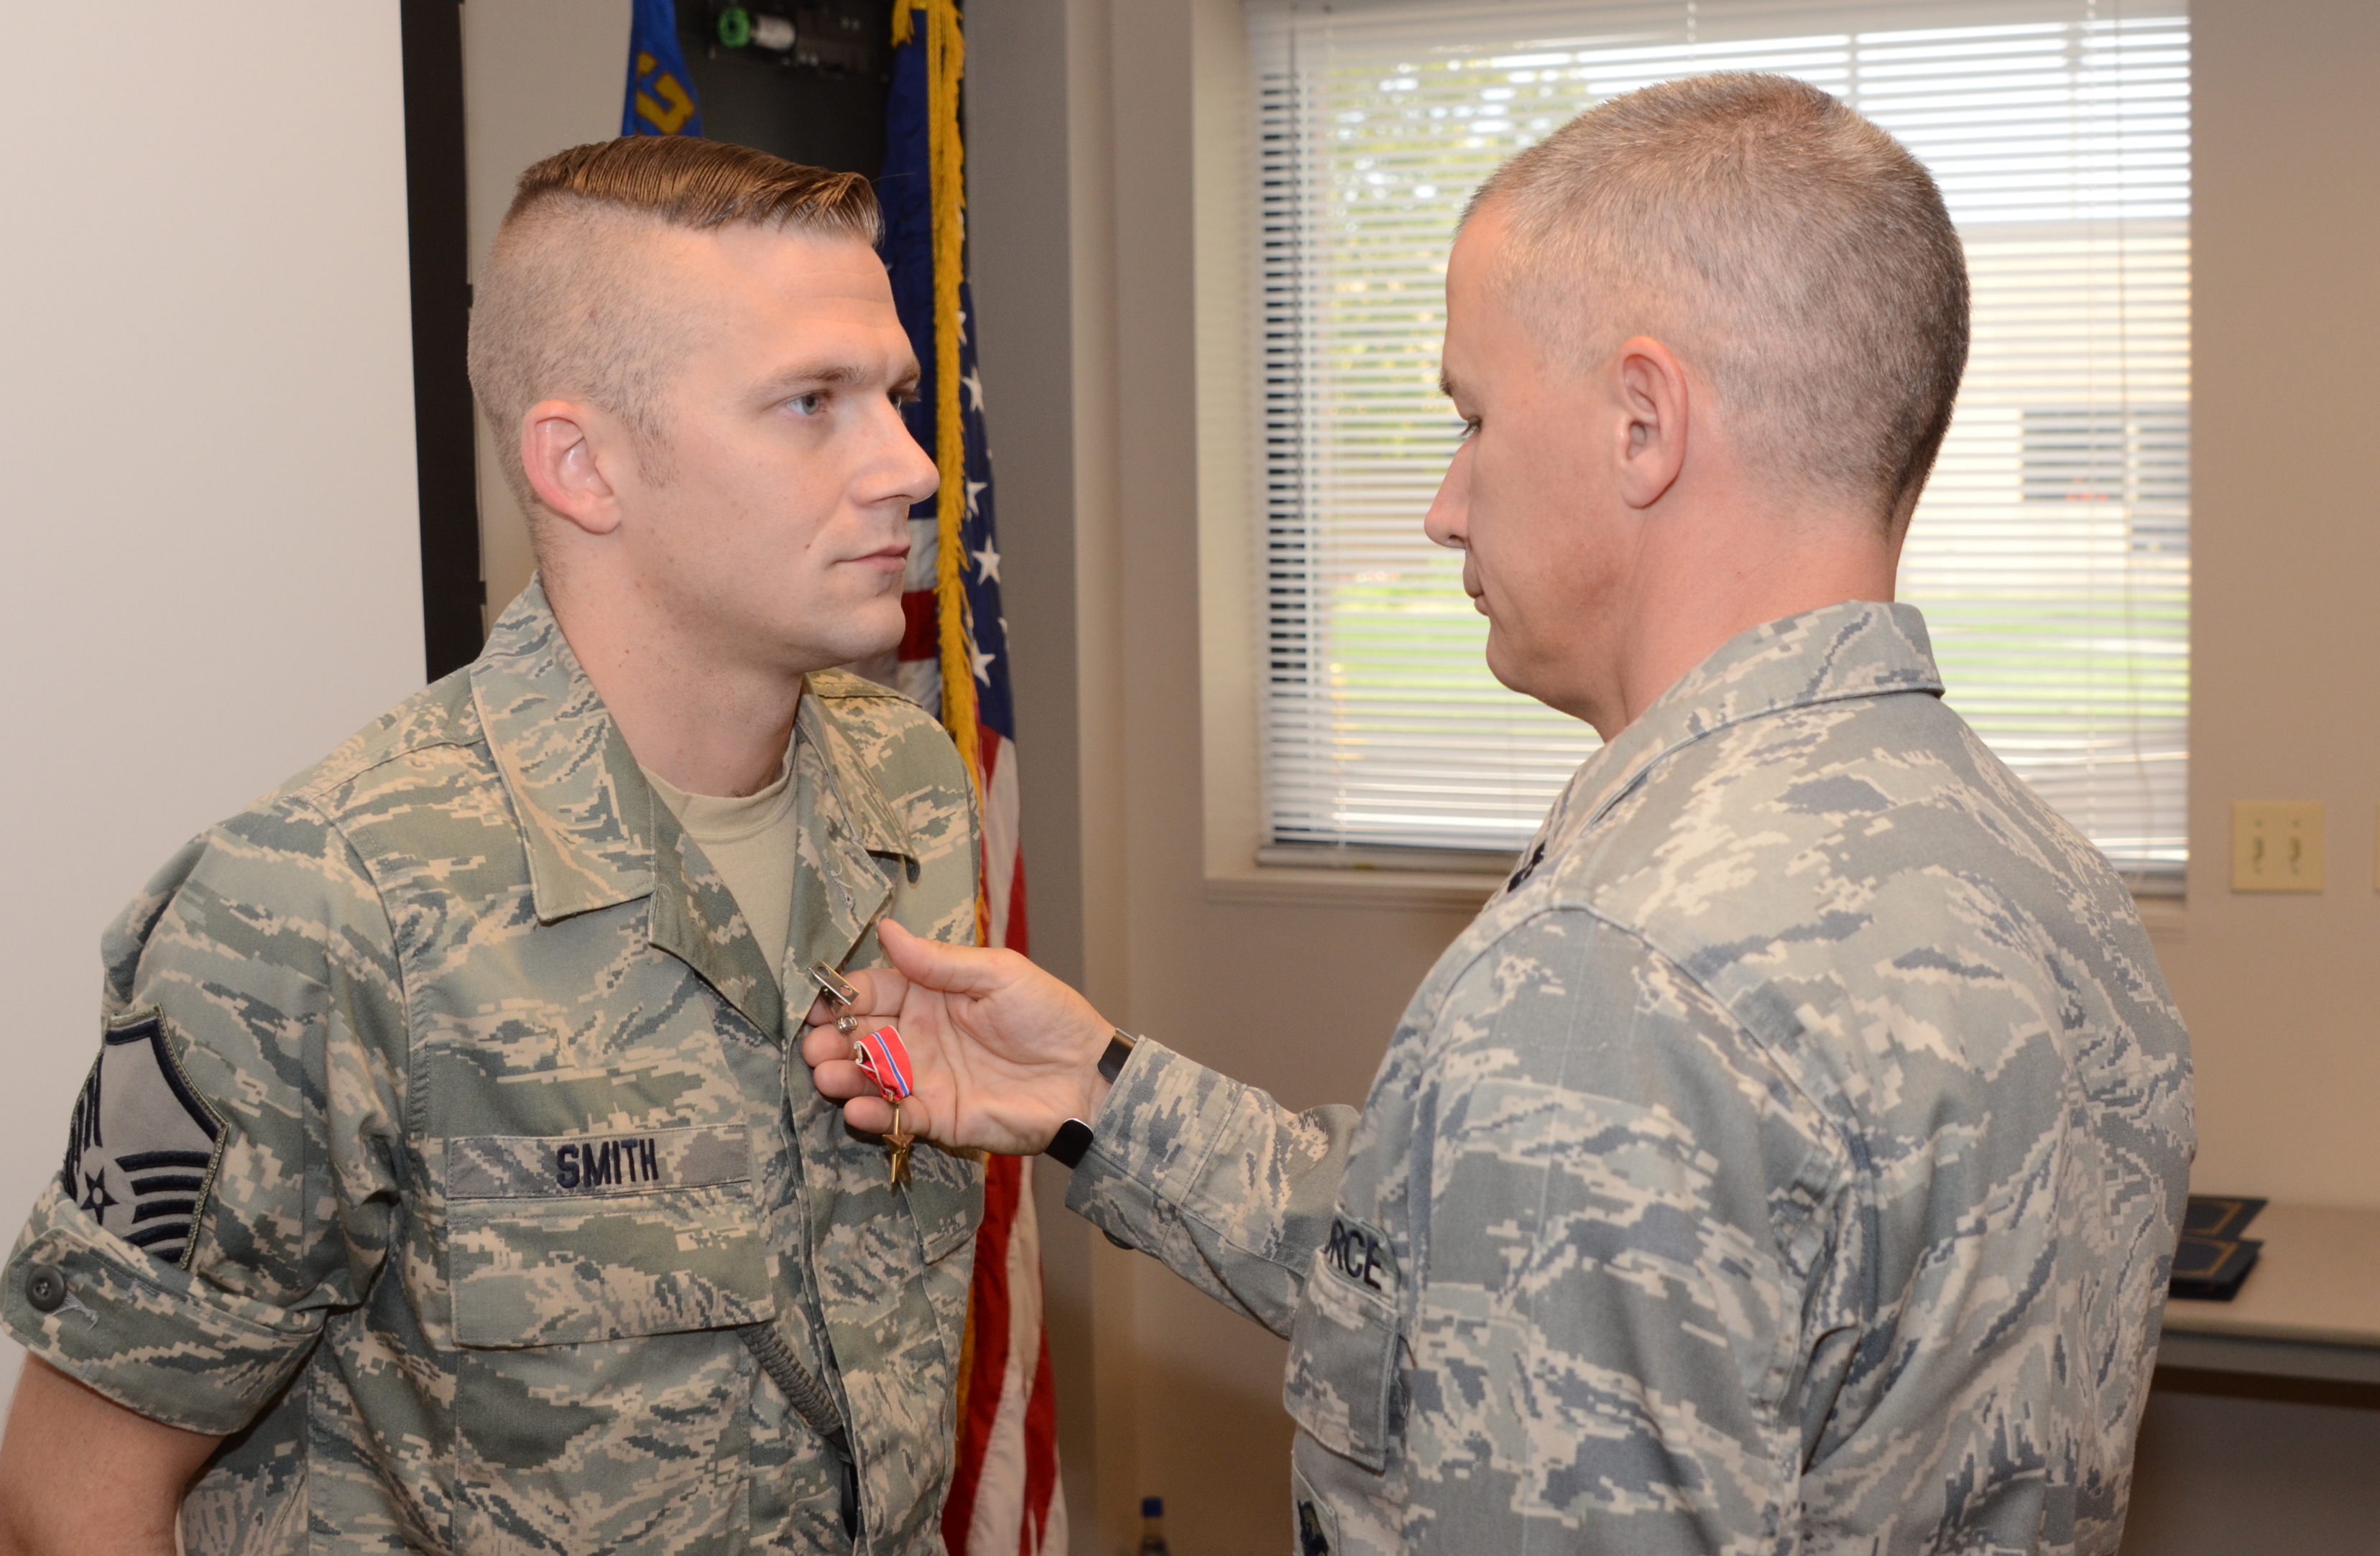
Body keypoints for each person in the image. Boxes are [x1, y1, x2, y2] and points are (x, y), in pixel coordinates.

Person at [799, 74, 2195, 1555]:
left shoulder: (1622, 973)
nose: (1444, 503)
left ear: (1643, 424)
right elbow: (1488, 1257)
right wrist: (1094, 1091)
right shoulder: (2044, 876)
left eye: (1472, 418)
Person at [0, 137, 982, 1555]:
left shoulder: (911, 794)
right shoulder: (313, 907)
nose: (910, 466)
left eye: (890, 396)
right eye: (811, 403)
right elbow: (68, 1503)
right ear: (581, 465)